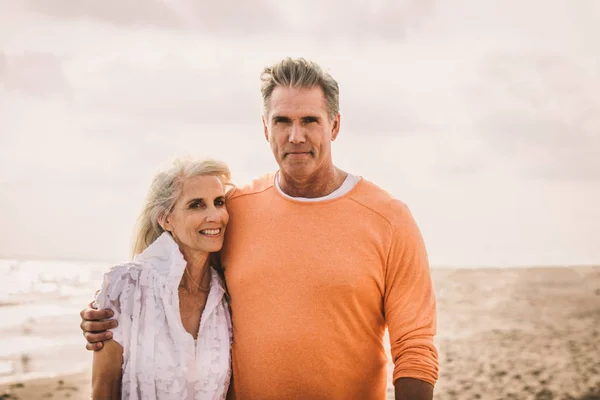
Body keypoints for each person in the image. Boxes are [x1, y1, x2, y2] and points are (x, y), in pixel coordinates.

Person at [81, 58, 439, 400]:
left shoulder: (389, 220)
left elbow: (415, 345)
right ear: (266, 128)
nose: (295, 136)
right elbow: (183, 281)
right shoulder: (235, 209)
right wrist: (113, 316)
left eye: (310, 120)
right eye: (282, 121)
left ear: (335, 125)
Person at [90, 158, 233, 400]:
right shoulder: (126, 287)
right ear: (166, 220)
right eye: (196, 205)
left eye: (218, 202)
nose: (215, 216)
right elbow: (103, 391)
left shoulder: (225, 297)